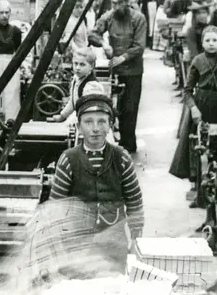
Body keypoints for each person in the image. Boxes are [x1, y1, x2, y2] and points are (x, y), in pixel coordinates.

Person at [47, 94, 145, 242]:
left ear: (110, 125)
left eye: (102, 122)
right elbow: (56, 207)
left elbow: (134, 203)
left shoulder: (122, 158)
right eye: (88, 122)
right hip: (77, 245)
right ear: (79, 127)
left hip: (114, 245)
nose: (95, 128)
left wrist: (136, 241)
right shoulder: (68, 160)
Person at [170, 26, 217, 180]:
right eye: (207, 40)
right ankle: (199, 186)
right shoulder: (197, 61)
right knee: (199, 146)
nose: (211, 43)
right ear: (202, 43)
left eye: (215, 40)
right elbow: (187, 91)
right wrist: (193, 108)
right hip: (202, 108)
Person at [89, 0, 147, 154]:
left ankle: (129, 146)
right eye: (113, 3)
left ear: (126, 2)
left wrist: (123, 57)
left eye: (119, 3)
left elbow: (140, 46)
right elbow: (92, 34)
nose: (116, 7)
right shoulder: (109, 16)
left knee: (130, 108)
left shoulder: (138, 18)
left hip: (133, 71)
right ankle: (117, 142)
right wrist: (104, 43)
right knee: (116, 108)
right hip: (115, 70)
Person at [48, 49, 108, 125]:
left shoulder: (92, 86)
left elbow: (88, 111)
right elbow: (72, 103)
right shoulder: (76, 79)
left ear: (91, 66)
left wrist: (68, 122)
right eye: (75, 63)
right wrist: (62, 116)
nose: (78, 67)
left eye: (82, 64)